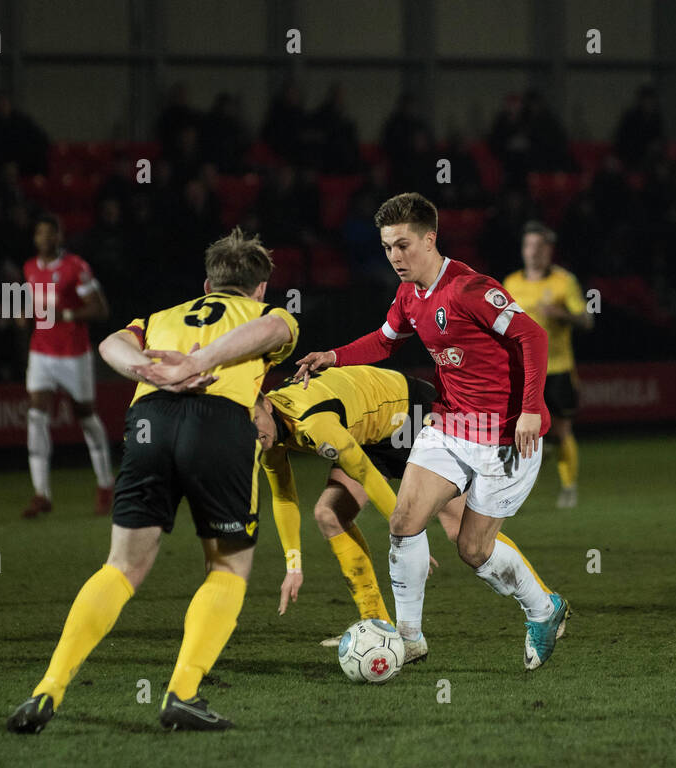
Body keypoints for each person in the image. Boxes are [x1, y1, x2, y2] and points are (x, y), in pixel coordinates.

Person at [7, 228, 300, 732]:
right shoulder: (269, 314)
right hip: (219, 423)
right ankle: (182, 694)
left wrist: (147, 368)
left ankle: (48, 688)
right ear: (260, 289)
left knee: (121, 566)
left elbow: (109, 344)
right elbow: (272, 334)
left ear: (207, 285)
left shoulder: (162, 317)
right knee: (227, 566)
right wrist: (202, 363)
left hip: (150, 422)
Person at [295, 192, 569, 671]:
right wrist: (333, 356)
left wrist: (530, 409)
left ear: (429, 239)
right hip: (450, 425)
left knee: (472, 550)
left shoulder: (470, 289)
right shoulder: (409, 295)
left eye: (403, 245)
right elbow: (384, 341)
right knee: (403, 522)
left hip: (506, 436)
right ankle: (409, 638)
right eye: (386, 248)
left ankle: (544, 611)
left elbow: (534, 335)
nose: (395, 257)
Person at [251, 366, 550, 647]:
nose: (253, 433)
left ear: (267, 404)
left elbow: (365, 474)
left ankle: (546, 604)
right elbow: (283, 497)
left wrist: (410, 536)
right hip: (366, 434)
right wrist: (293, 566)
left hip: (409, 413)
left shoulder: (313, 422)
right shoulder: (267, 438)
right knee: (330, 514)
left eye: (253, 421)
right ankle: (376, 624)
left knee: (462, 529)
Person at [20, 213, 114, 518]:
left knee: (85, 416)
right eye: (40, 233)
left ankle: (105, 484)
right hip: (41, 352)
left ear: (60, 237)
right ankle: (41, 494)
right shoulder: (30, 268)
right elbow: (36, 305)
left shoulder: (76, 267)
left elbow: (100, 308)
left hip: (73, 353)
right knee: (36, 414)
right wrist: (23, 314)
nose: (45, 238)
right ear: (35, 238)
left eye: (51, 233)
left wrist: (68, 316)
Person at [502, 221, 591, 507]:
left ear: (549, 250)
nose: (533, 252)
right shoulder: (511, 283)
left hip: (559, 369)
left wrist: (562, 314)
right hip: (524, 371)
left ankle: (569, 486)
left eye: (539, 247)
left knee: (562, 430)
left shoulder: (564, 282)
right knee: (520, 430)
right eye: (529, 246)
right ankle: (520, 486)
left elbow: (587, 320)